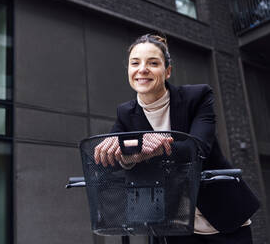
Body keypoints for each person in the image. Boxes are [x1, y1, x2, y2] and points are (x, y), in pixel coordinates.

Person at [93, 34, 260, 244]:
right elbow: (111, 157)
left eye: (153, 63)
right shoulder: (125, 113)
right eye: (135, 63)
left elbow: (198, 148)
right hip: (175, 224)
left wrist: (152, 149)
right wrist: (130, 153)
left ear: (168, 71)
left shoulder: (197, 97)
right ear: (128, 70)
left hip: (224, 216)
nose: (142, 69)